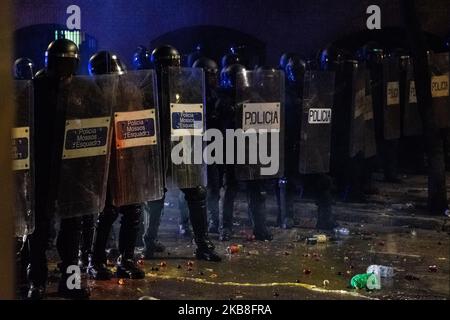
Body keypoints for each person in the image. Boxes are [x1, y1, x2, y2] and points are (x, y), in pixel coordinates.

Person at [142, 45, 221, 262]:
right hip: (157, 149)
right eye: (169, 64)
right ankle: (148, 242)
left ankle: (203, 244)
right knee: (156, 197)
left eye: (176, 64)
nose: (173, 68)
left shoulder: (186, 86)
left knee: (196, 192)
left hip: (183, 146)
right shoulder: (148, 88)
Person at [27, 39, 90, 300]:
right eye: (60, 61)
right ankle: (37, 282)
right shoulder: (36, 87)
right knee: (39, 229)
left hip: (71, 169)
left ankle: (71, 282)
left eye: (68, 62)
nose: (64, 68)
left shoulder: (81, 89)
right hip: (41, 167)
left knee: (72, 230)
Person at [87, 51, 146, 280]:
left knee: (133, 212)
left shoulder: (130, 92)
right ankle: (96, 260)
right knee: (107, 213)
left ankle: (126, 260)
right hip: (106, 163)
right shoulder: (91, 95)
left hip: (128, 161)